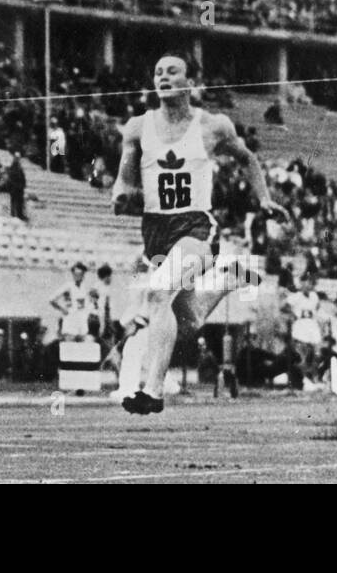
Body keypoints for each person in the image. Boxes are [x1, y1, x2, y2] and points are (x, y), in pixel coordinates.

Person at [112, 53, 287, 415]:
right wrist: (120, 196)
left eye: (172, 72)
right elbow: (124, 181)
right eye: (158, 71)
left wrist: (265, 199)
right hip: (155, 230)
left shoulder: (213, 125)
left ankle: (152, 391)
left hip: (196, 227)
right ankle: (228, 280)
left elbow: (248, 158)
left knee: (158, 291)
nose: (163, 77)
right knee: (186, 320)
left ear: (191, 83)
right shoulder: (137, 128)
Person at [50, 262, 99, 340]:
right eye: (75, 274)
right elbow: (51, 299)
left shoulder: (86, 287)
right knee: (69, 344)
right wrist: (62, 309)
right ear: (72, 274)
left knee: (83, 345)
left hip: (82, 320)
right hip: (70, 319)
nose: (77, 276)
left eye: (80, 274)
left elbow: (94, 302)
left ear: (83, 275)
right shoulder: (67, 286)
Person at [7, 154, 27, 221]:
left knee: (19, 202)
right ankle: (15, 214)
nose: (18, 160)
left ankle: (18, 214)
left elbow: (22, 177)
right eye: (17, 158)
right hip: (15, 188)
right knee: (15, 201)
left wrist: (23, 184)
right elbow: (12, 178)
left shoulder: (19, 167)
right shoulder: (14, 167)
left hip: (19, 188)